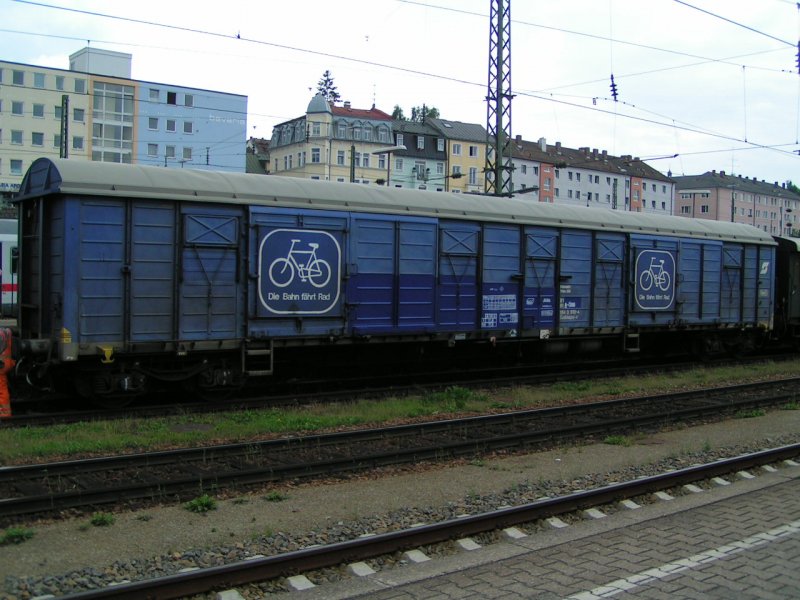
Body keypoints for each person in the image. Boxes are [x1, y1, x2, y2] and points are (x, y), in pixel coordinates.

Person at [0, 327, 14, 419]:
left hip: (1, 364)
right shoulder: (5, 331)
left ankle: (4, 413)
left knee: (1, 389)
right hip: (5, 363)